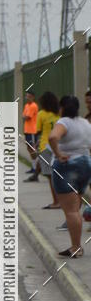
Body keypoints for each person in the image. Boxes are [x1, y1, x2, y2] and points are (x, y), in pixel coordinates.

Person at [48, 95, 91, 258]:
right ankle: (77, 246)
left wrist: (58, 154)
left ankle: (76, 247)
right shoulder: (85, 123)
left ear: (62, 108)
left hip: (68, 166)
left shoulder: (64, 122)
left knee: (71, 211)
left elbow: (53, 137)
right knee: (76, 207)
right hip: (86, 164)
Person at [32, 92, 60, 206]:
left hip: (45, 147)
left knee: (50, 176)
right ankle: (61, 201)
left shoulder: (41, 114)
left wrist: (36, 144)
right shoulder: (59, 113)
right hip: (58, 146)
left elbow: (38, 131)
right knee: (59, 175)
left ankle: (56, 201)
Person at [23, 90, 39, 177]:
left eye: (29, 96)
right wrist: (25, 116)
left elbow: (27, 117)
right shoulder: (26, 105)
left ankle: (36, 168)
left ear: (33, 97)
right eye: (26, 96)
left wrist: (25, 116)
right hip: (27, 130)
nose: (27, 98)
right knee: (29, 149)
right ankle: (33, 167)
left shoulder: (33, 106)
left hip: (32, 131)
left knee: (33, 149)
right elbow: (23, 116)